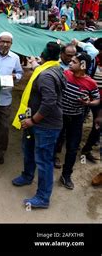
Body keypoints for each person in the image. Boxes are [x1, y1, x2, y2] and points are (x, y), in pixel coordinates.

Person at [12, 42, 66, 209]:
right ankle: (27, 175)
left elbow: (49, 102)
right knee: (28, 149)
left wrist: (33, 120)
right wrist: (35, 63)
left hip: (45, 126)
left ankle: (43, 198)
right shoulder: (54, 68)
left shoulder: (46, 76)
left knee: (43, 161)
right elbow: (38, 68)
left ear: (43, 56)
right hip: (36, 123)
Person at [56, 52, 99, 189]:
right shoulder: (64, 74)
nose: (70, 62)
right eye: (71, 60)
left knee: (72, 148)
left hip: (76, 119)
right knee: (55, 140)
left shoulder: (91, 83)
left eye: (74, 61)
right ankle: (52, 160)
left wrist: (88, 102)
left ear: (83, 65)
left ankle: (66, 175)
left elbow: (97, 99)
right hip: (60, 115)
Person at [0, 32, 23, 164]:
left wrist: (16, 77)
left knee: (3, 128)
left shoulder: (15, 58)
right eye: (2, 41)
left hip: (5, 98)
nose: (4, 44)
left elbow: (20, 72)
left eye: (8, 42)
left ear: (11, 44)